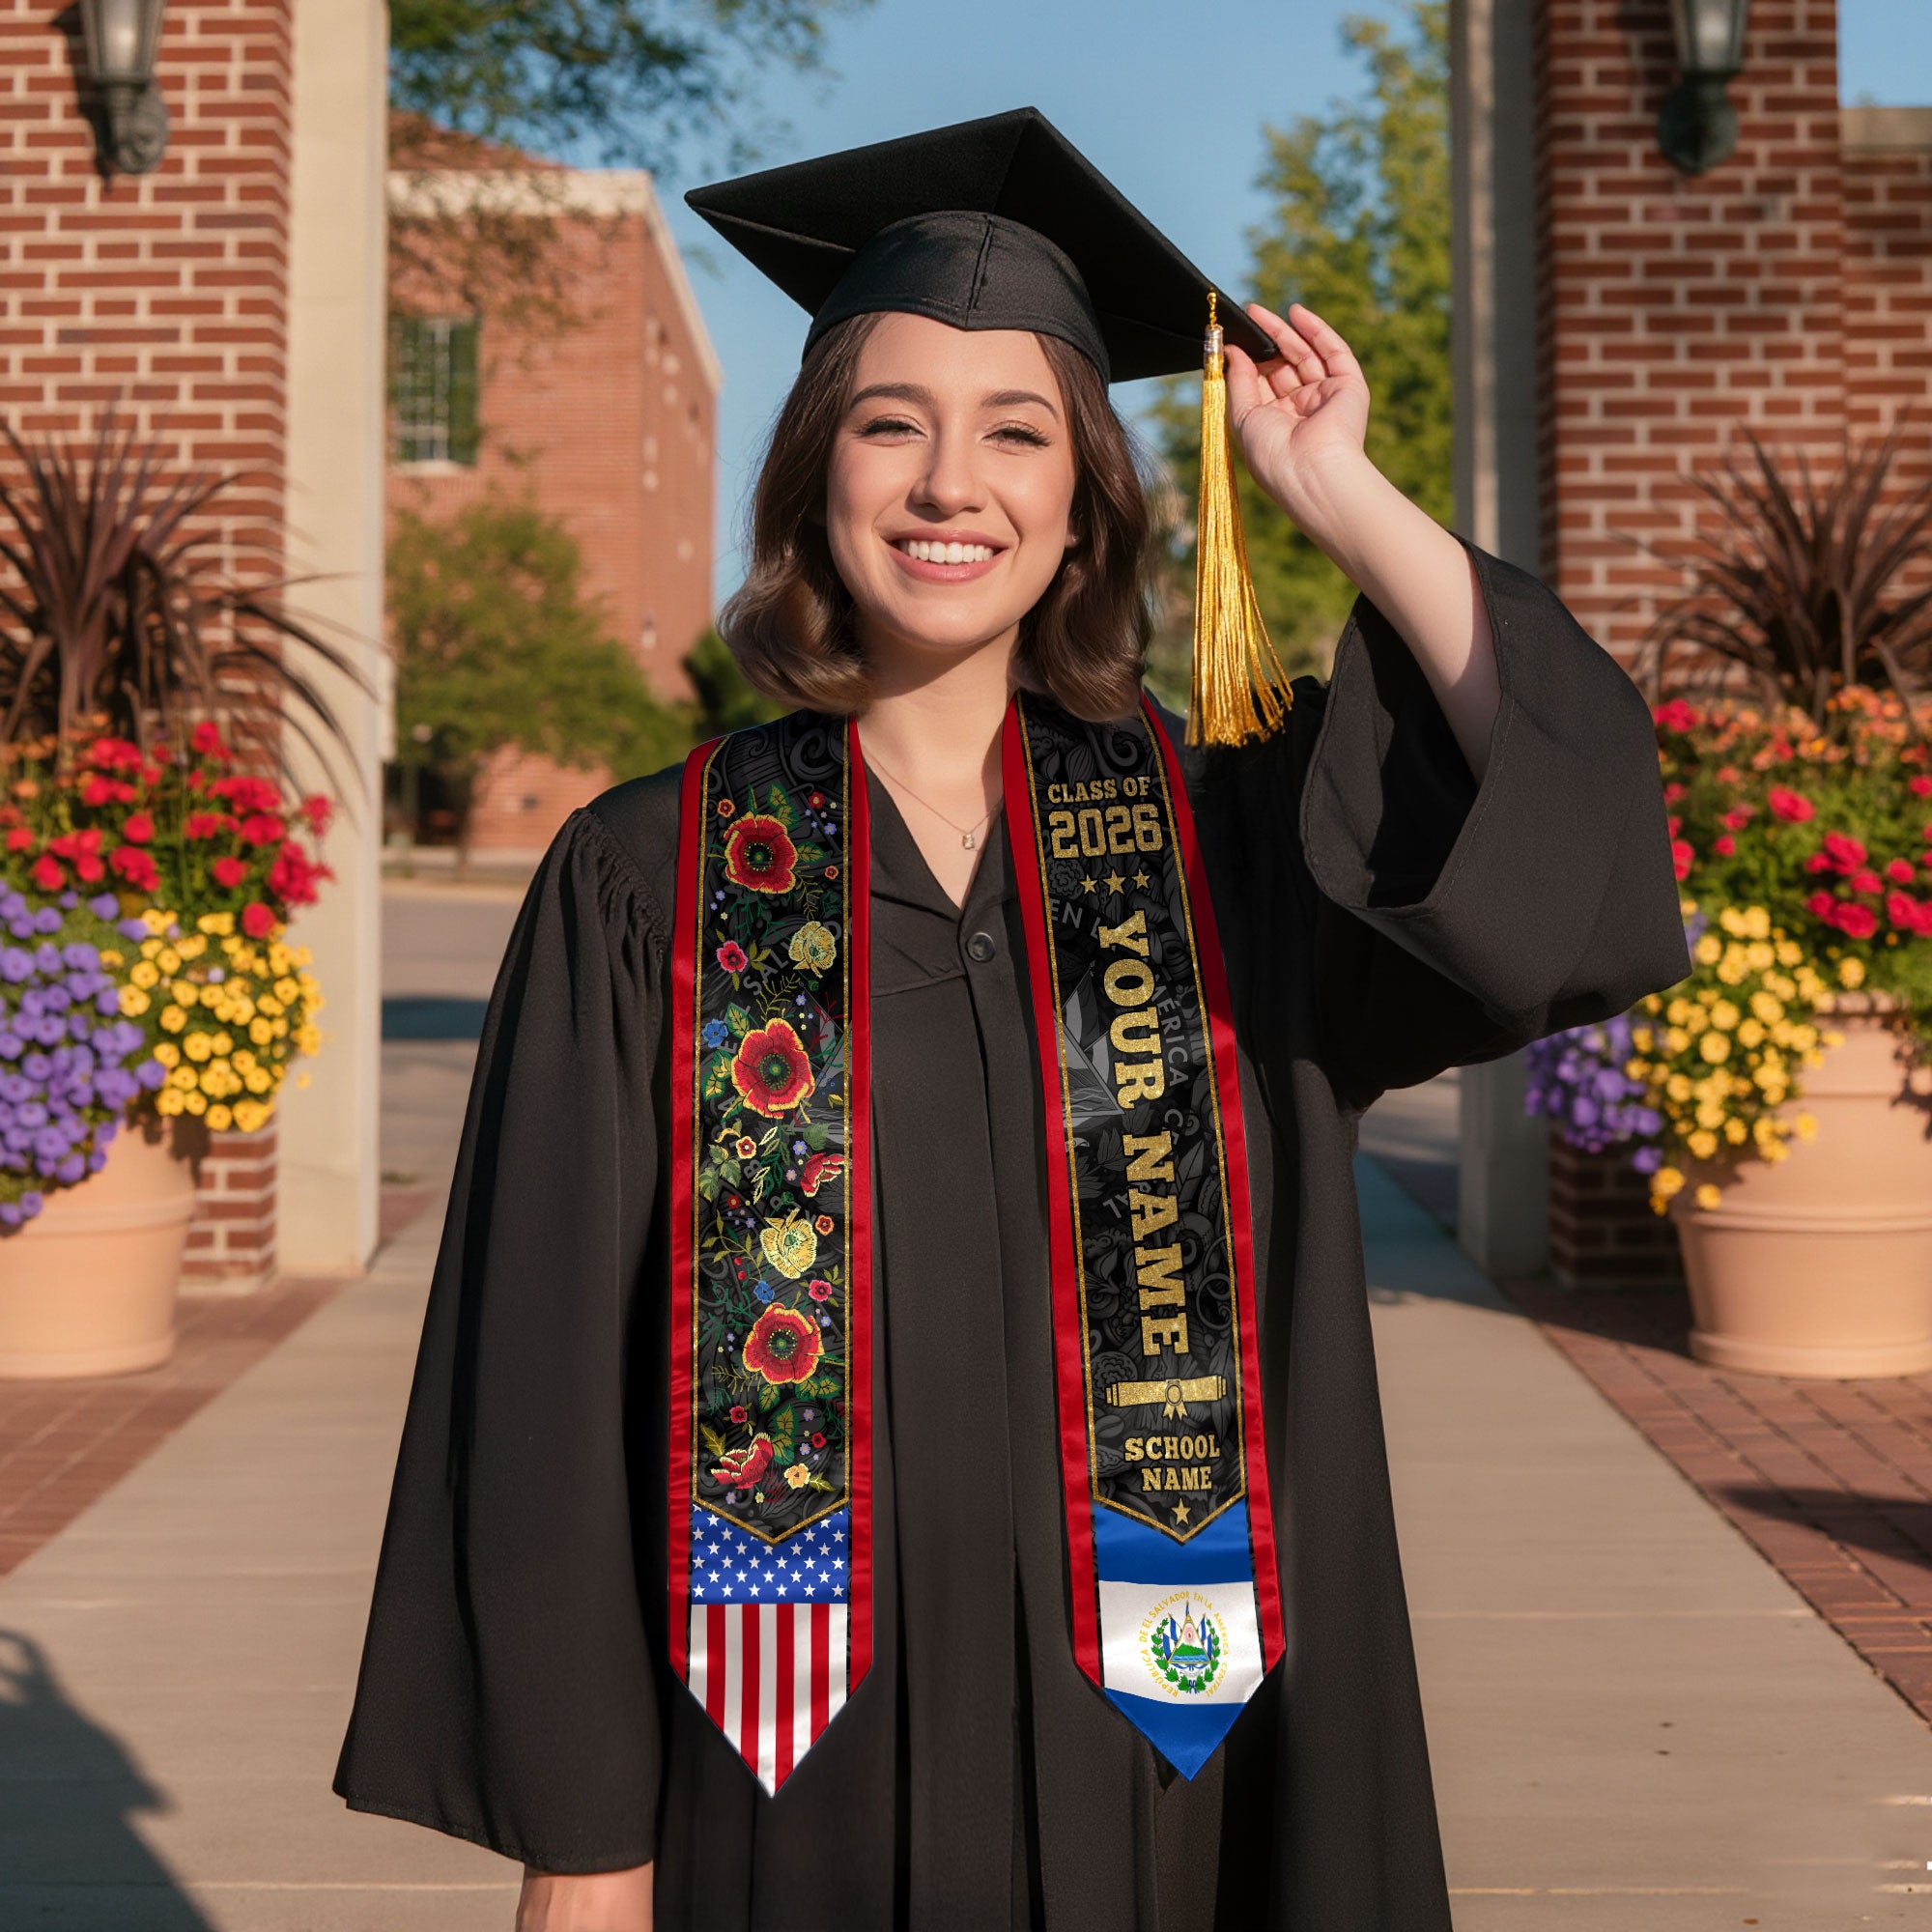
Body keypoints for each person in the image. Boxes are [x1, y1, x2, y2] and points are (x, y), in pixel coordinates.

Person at [332, 109, 1690, 1932]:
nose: (948, 483)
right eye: (892, 424)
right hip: (776, 1785)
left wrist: (1336, 492)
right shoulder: (647, 876)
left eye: (1016, 433)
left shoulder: (1233, 852)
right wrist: (585, 1843)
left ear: (1083, 504)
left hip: (1181, 1774)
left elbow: (1559, 836)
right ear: (818, 472)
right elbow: (545, 1387)